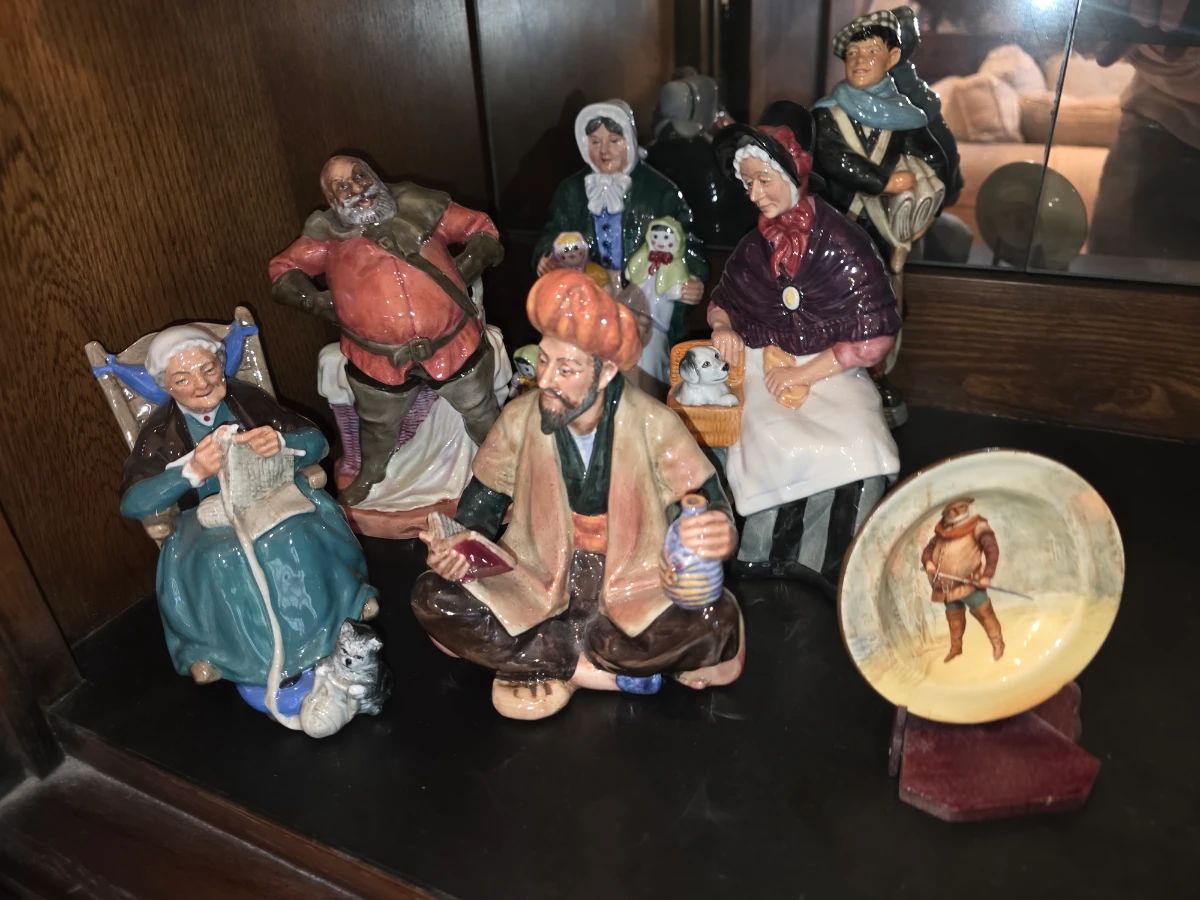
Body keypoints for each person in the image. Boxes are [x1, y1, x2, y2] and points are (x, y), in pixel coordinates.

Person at [412, 270, 743, 721]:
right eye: (545, 362)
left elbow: (708, 502)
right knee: (432, 596)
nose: (547, 380)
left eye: (565, 370)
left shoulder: (654, 424)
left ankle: (544, 665)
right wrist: (456, 550)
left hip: (632, 582)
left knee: (712, 616)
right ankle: (600, 672)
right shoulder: (520, 420)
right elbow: (481, 507)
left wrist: (715, 533)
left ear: (605, 372)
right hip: (537, 575)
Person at [120, 326, 375, 687]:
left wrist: (281, 442)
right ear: (167, 386)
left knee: (295, 534)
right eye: (183, 378)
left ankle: (332, 622)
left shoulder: (246, 401)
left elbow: (317, 442)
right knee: (227, 556)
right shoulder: (161, 432)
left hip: (270, 498)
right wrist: (191, 472)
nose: (201, 384)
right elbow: (134, 502)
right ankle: (238, 656)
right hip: (205, 520)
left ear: (221, 365)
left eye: (208, 369)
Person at [709, 122, 901, 585]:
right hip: (763, 361)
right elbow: (723, 301)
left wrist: (804, 375)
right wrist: (722, 327)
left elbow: (874, 338)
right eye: (748, 183)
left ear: (792, 175)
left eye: (764, 180)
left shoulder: (844, 244)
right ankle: (762, 549)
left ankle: (833, 556)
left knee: (859, 443)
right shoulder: (753, 248)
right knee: (765, 436)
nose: (755, 194)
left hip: (832, 369)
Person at [269, 155, 505, 506]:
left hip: (453, 344)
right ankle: (372, 472)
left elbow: (481, 227)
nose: (357, 190)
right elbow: (282, 268)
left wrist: (466, 267)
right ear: (332, 199)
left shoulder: (421, 206)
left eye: (360, 177)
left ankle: (505, 468)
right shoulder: (327, 237)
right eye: (343, 187)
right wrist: (315, 302)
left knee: (481, 411)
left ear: (374, 176)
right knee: (377, 426)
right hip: (378, 359)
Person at [533, 100, 708, 346]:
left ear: (630, 140)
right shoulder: (570, 191)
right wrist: (546, 257)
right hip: (587, 297)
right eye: (595, 142)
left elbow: (688, 243)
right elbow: (552, 233)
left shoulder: (661, 192)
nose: (604, 151)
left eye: (614, 141)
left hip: (642, 299)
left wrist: (694, 277)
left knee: (643, 351)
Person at [812, 8, 957, 273]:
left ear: (892, 58)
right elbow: (833, 157)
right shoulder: (827, 113)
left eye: (872, 51)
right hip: (837, 216)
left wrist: (930, 211)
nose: (859, 60)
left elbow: (933, 157)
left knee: (884, 275)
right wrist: (884, 182)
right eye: (852, 53)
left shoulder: (906, 116)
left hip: (888, 224)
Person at [921, 497, 1005, 661]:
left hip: (970, 584)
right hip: (946, 587)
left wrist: (987, 575)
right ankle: (956, 648)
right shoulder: (942, 530)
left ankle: (998, 644)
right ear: (946, 511)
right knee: (954, 618)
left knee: (985, 614)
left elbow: (992, 550)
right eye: (953, 508)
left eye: (961, 506)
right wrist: (929, 562)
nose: (957, 511)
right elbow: (928, 550)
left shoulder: (978, 526)